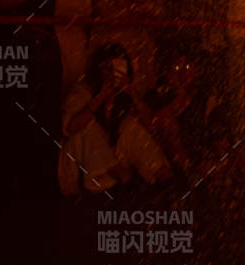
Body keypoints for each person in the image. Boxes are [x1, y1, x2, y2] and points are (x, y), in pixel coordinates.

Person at [58, 43, 173, 194]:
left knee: (130, 126)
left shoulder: (125, 95)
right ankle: (123, 180)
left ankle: (163, 179)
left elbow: (152, 125)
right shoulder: (83, 91)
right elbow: (70, 128)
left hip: (113, 171)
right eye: (107, 67)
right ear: (98, 69)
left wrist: (130, 91)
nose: (111, 73)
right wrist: (100, 98)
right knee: (87, 125)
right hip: (81, 168)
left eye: (117, 67)